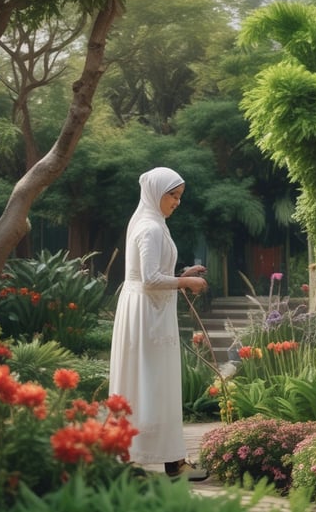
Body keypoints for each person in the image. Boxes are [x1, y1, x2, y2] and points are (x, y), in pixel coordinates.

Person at [109, 167, 209, 481]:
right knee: (150, 383)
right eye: (173, 196)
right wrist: (185, 283)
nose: (177, 202)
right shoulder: (150, 227)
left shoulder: (154, 223)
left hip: (151, 311)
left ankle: (167, 459)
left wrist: (184, 272)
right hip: (146, 315)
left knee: (155, 384)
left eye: (179, 197)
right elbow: (150, 278)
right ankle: (148, 459)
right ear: (156, 194)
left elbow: (153, 269)